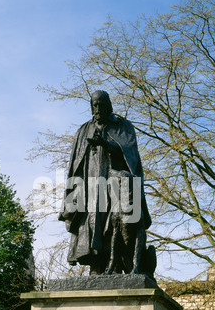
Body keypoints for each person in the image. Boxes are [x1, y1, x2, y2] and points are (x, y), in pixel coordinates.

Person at [58, 90, 153, 275]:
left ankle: (118, 264)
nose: (98, 108)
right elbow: (75, 163)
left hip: (117, 184)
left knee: (118, 223)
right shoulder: (84, 129)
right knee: (92, 223)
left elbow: (131, 154)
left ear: (109, 104)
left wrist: (106, 145)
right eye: (94, 104)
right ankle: (96, 265)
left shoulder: (123, 126)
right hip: (91, 184)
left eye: (101, 103)